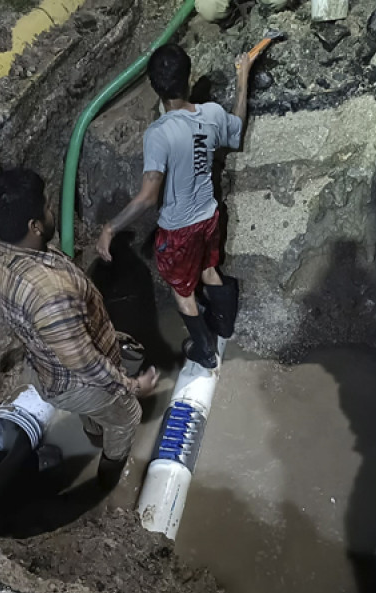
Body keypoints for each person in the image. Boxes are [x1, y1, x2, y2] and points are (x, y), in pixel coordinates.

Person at [0, 168, 160, 487]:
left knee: (98, 413)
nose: (53, 212)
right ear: (34, 226)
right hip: (73, 380)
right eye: (49, 208)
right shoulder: (50, 295)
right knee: (126, 416)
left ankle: (94, 433)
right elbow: (85, 363)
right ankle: (107, 480)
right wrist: (133, 387)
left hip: (47, 360)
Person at [95, 43, 260, 368]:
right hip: (209, 216)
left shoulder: (159, 134)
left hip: (179, 229)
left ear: (155, 87)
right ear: (189, 78)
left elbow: (148, 197)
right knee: (208, 269)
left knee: (183, 293)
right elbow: (237, 131)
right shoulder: (212, 114)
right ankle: (224, 326)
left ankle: (205, 352)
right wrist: (243, 79)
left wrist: (110, 228)